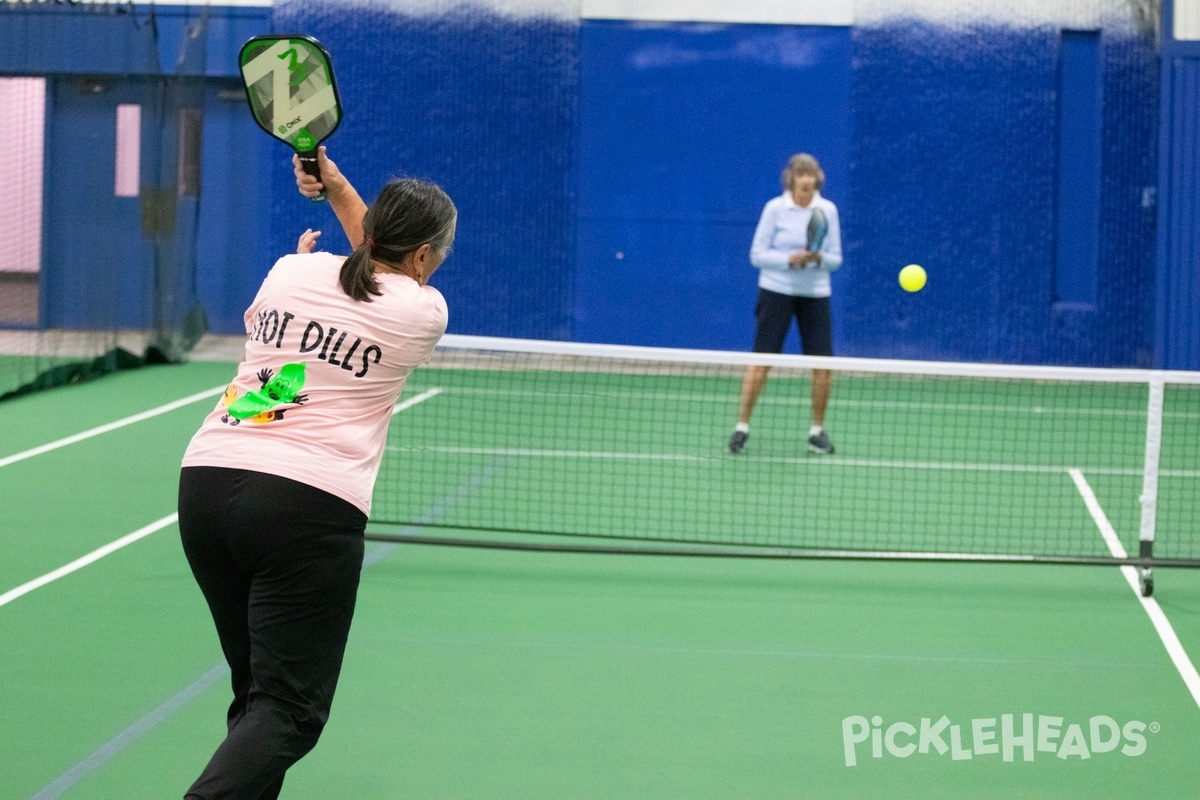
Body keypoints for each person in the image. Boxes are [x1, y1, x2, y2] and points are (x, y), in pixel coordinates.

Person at [177, 146, 456, 800]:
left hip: (209, 481)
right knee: (290, 711)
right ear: (423, 258)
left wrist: (332, 193)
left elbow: (287, 377)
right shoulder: (422, 312)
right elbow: (378, 266)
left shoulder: (290, 270)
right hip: (303, 508)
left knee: (257, 697)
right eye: (435, 256)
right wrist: (334, 188)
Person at [728, 153, 842, 455]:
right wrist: (788, 260)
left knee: (823, 365)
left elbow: (835, 259)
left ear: (817, 179)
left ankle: (817, 432)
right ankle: (741, 427)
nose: (806, 182)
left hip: (815, 294)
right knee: (761, 361)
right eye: (800, 176)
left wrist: (818, 258)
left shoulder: (827, 210)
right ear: (790, 179)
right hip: (776, 291)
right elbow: (757, 255)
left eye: (811, 176)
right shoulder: (775, 209)